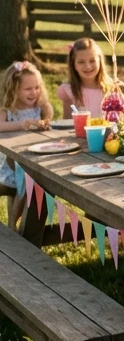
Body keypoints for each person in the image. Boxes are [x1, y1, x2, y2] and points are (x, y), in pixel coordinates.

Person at [0, 61, 53, 229]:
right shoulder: (8, 109)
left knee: (28, 173)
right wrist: (21, 124)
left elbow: (49, 111)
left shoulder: (38, 105)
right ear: (14, 89)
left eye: (37, 87)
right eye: (28, 89)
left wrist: (46, 119)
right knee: (25, 176)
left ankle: (17, 226)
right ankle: (12, 225)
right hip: (7, 163)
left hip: (32, 156)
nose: (34, 92)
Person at [56, 38, 118, 118]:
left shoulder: (110, 88)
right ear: (74, 65)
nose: (88, 66)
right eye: (81, 62)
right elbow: (67, 122)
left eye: (92, 61)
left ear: (100, 61)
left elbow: (119, 120)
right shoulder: (69, 91)